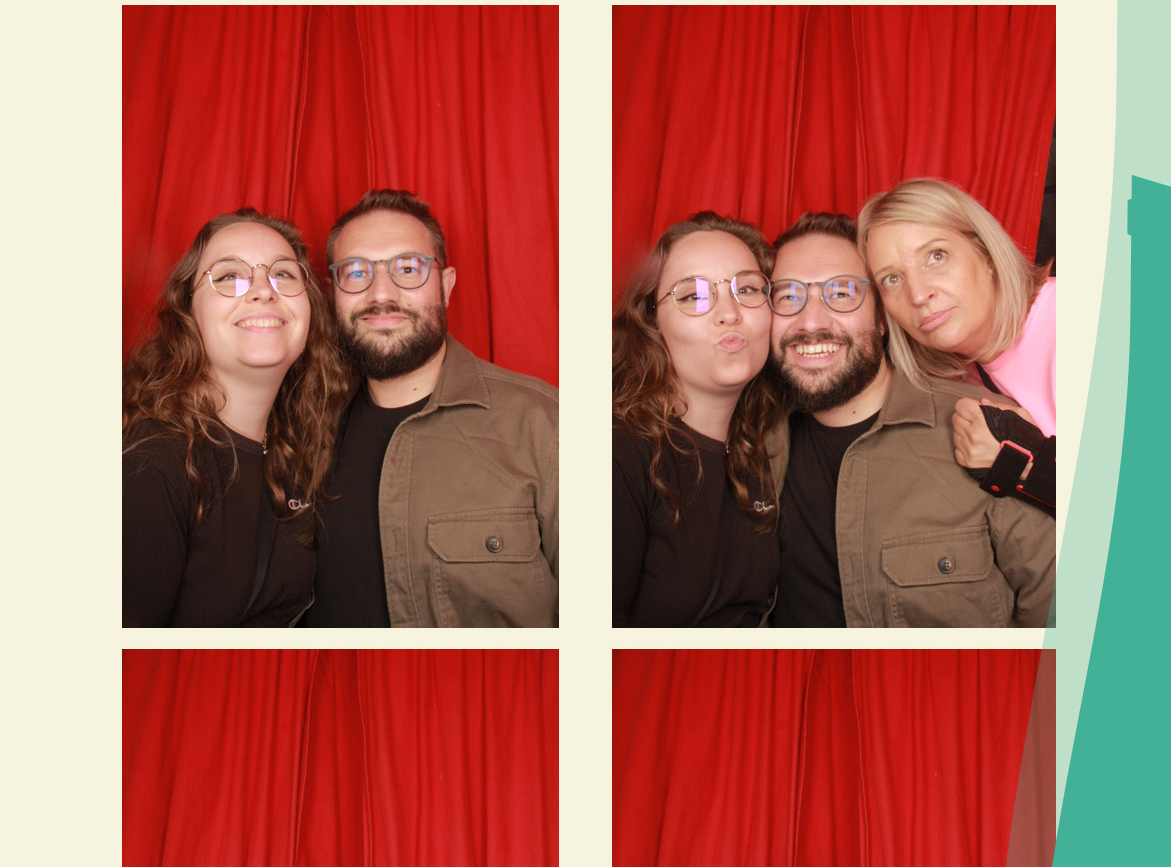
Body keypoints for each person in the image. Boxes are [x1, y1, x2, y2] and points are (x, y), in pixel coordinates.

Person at [765, 212, 1056, 628]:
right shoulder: (751, 441)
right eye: (788, 296)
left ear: (883, 318)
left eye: (842, 292)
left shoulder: (985, 428)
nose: (811, 322)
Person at [303, 189, 558, 629]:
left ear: (446, 285)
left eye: (408, 268)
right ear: (333, 293)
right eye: (356, 272)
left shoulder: (544, 425)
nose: (381, 293)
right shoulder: (300, 430)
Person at [123, 209, 348, 626]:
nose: (263, 290)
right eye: (229, 276)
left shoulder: (302, 447)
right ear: (188, 313)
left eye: (283, 274)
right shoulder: (149, 467)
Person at [613, 213, 785, 627]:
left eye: (747, 288)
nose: (729, 313)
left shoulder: (767, 444)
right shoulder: (618, 458)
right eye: (693, 296)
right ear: (652, 322)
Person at [859, 178, 1055, 511]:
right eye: (892, 279)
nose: (918, 294)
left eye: (936, 256)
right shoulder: (962, 379)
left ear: (986, 254)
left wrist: (1023, 463)